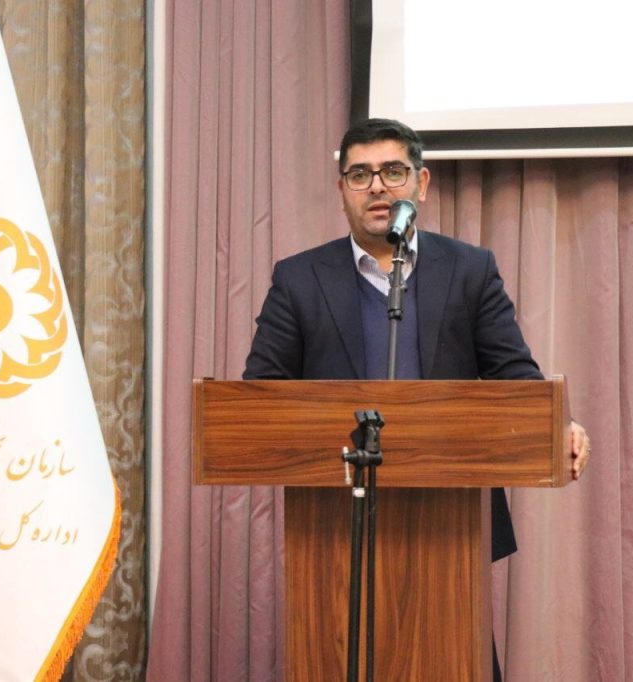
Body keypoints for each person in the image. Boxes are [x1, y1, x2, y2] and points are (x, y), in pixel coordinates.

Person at [242, 117, 591, 680]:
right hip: (336, 524)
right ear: (342, 190)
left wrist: (558, 425)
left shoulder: (469, 270)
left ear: (421, 184)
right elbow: (261, 395)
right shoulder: (300, 278)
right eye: (360, 174)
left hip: (449, 523)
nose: (377, 186)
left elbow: (516, 377)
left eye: (393, 171)